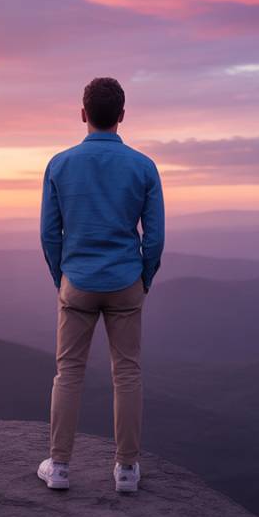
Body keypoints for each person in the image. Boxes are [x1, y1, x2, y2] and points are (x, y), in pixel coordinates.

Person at [37, 77, 165, 493]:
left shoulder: (60, 164)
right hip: (126, 280)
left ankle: (59, 467)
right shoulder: (143, 167)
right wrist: (144, 278)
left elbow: (49, 233)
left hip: (77, 280)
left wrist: (61, 278)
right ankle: (126, 470)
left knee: (68, 372)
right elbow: (155, 236)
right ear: (122, 116)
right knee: (127, 372)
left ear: (83, 114)